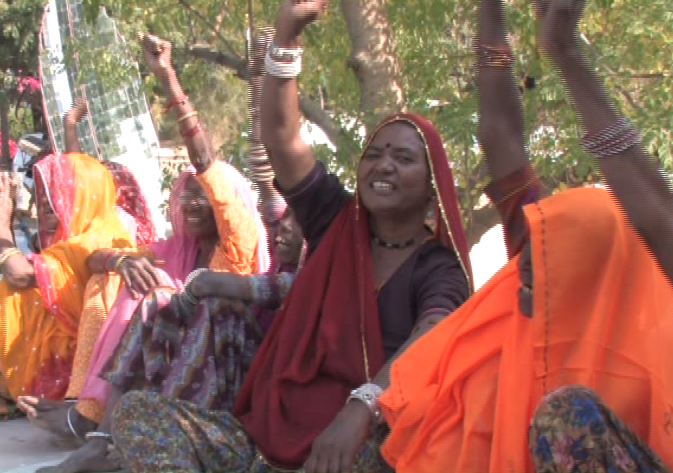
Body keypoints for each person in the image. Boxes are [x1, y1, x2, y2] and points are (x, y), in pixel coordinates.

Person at [109, 2, 472, 472]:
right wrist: (286, 38)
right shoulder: (336, 221)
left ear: (433, 189)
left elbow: (432, 336)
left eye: (403, 159)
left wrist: (360, 408)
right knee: (139, 415)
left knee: (380, 452)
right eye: (375, 154)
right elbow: (283, 138)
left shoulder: (438, 266)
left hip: (356, 443)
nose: (383, 164)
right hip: (266, 438)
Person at [377, 1, 673, 472]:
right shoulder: (524, 323)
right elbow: (499, 136)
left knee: (568, 417)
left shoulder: (653, 365)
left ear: (596, 277)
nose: (523, 274)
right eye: (527, 257)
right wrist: (498, 14)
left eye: (544, 268)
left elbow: (660, 220)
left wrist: (567, 53)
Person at [31, 30, 273, 473]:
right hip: (178, 346)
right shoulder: (179, 247)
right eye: (185, 195)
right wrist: (119, 260)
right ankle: (100, 433)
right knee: (125, 280)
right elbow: (93, 255)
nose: (192, 203)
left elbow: (205, 163)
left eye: (203, 195)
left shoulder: (237, 241)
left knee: (159, 298)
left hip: (230, 352)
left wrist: (167, 78)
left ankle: (97, 430)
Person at [16, 99, 158, 439]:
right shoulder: (80, 230)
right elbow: (76, 180)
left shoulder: (109, 230)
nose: (51, 207)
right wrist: (69, 128)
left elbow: (21, 273)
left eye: (57, 199)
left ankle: (81, 406)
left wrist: (3, 234)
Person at [0, 152, 135, 402]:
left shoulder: (90, 241)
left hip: (70, 365)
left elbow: (19, 275)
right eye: (41, 205)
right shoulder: (100, 229)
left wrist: (2, 227)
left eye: (52, 206)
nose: (44, 215)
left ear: (80, 202)